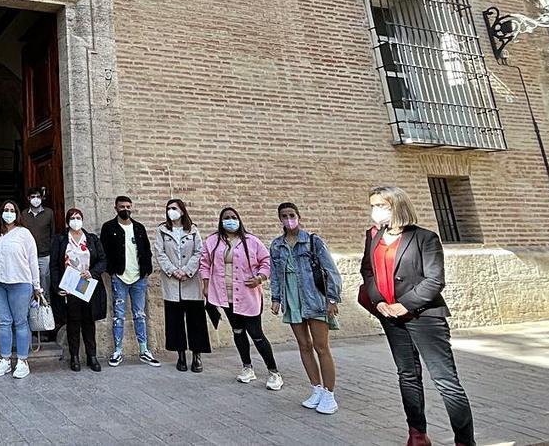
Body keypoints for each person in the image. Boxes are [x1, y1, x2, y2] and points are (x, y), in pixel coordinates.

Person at [359, 186, 475, 446]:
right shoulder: (374, 237)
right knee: (407, 376)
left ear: (396, 206)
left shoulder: (425, 238)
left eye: (381, 205)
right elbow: (368, 271)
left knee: (445, 380)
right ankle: (417, 435)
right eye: (373, 205)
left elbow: (435, 280)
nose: (375, 211)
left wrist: (405, 304)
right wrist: (379, 302)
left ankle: (465, 441)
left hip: (425, 317)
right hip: (390, 317)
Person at [269, 202, 343, 415]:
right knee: (303, 345)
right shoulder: (276, 245)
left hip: (314, 298)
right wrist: (276, 298)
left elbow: (331, 270)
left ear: (298, 216)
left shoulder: (313, 241)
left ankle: (330, 393)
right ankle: (316, 389)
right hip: (292, 299)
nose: (288, 219)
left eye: (291, 214)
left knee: (321, 347)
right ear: (280, 219)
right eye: (284, 216)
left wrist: (332, 299)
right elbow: (275, 274)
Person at [200, 207, 281, 390]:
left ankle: (274, 372)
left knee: (256, 334)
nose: (230, 220)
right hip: (225, 295)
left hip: (247, 295)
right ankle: (247, 368)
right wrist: (206, 286)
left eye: (233, 217)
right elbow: (205, 264)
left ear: (239, 220)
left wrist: (260, 277)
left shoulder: (252, 241)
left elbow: (266, 262)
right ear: (221, 221)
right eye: (226, 218)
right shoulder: (213, 241)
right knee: (237, 331)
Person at [100, 196, 160, 367]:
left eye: (128, 206)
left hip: (138, 277)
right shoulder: (109, 227)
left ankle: (144, 350)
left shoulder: (139, 227)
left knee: (139, 314)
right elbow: (104, 250)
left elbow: (146, 250)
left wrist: (147, 270)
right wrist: (111, 271)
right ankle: (118, 350)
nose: (125, 209)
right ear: (115, 208)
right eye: (121, 206)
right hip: (119, 276)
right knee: (118, 315)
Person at [0, 200, 41, 379]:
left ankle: (23, 361)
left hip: (19, 283)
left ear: (17, 214)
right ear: (1, 212)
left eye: (11, 210)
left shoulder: (24, 233)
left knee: (21, 322)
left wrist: (37, 286)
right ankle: (5, 360)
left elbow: (33, 260)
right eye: (5, 210)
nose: (8, 213)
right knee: (3, 322)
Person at [153, 198, 209, 374]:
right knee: (175, 321)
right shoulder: (162, 230)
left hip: (191, 282)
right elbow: (159, 253)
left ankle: (197, 356)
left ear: (182, 211)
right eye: (169, 208)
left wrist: (187, 271)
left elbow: (199, 252)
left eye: (175, 208)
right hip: (172, 282)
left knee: (196, 321)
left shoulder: (193, 230)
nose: (171, 211)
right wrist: (172, 271)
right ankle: (181, 355)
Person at [48, 208, 107, 372]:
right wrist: (56, 286)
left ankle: (91, 356)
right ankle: (74, 356)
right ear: (67, 221)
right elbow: (53, 265)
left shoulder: (92, 239)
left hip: (87, 285)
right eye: (72, 218)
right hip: (69, 286)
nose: (76, 220)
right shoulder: (60, 240)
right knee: (73, 322)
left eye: (78, 217)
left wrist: (92, 272)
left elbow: (102, 261)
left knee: (89, 322)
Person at [19, 187, 54, 306]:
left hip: (44, 254)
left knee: (44, 281)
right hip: (27, 256)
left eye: (38, 197)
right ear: (28, 198)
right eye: (33, 197)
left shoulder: (49, 213)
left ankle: (46, 308)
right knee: (28, 282)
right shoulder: (23, 214)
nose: (35, 199)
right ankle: (31, 310)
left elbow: (52, 233)